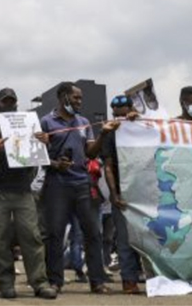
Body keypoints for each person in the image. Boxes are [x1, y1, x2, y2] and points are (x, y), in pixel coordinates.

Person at [0, 88, 57, 300]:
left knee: (32, 237)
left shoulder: (30, 126)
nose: (9, 105)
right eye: (4, 102)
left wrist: (45, 142)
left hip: (23, 191)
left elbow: (39, 158)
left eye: (12, 102)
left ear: (16, 104)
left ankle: (39, 282)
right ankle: (5, 283)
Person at [40, 82, 117, 294]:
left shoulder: (83, 122)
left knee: (93, 234)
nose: (79, 102)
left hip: (82, 184)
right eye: (76, 98)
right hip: (57, 185)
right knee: (55, 235)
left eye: (80, 98)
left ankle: (97, 281)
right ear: (63, 97)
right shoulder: (46, 122)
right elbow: (39, 157)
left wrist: (103, 135)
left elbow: (91, 153)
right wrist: (57, 164)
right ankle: (55, 281)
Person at [101, 95, 143, 294]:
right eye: (116, 114)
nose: (119, 118)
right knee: (125, 238)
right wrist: (114, 194)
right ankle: (129, 280)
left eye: (124, 113)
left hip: (145, 190)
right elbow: (108, 166)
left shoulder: (144, 126)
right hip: (123, 191)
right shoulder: (110, 134)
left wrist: (140, 119)